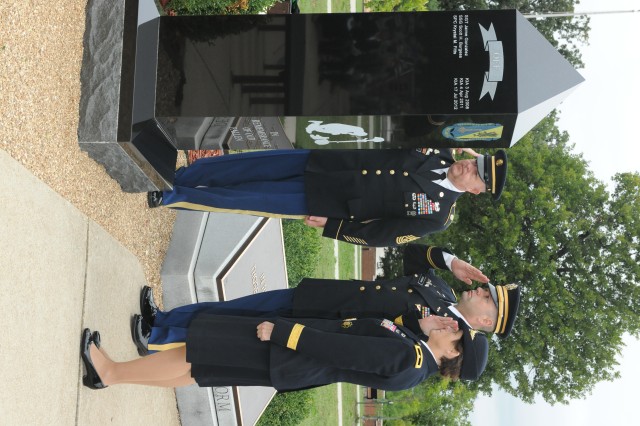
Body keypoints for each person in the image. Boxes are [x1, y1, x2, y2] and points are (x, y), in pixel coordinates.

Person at [134, 245, 520, 356]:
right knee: (233, 308)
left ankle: (158, 339)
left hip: (322, 324)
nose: (481, 291)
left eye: (488, 299)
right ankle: (165, 319)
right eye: (487, 288)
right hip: (320, 296)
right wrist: (451, 262)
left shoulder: (449, 339)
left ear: (486, 322)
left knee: (231, 329)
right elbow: (416, 256)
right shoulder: (443, 293)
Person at [147, 148, 508, 247]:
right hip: (327, 162)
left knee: (248, 197)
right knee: (247, 166)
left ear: (477, 191)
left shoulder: (438, 216)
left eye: (476, 174)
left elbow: (383, 235)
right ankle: (182, 175)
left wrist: (335, 228)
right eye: (474, 161)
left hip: (329, 202)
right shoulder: (438, 149)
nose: (467, 167)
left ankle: (174, 196)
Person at [80, 311, 489, 392]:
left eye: (457, 336)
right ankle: (114, 374)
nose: (452, 327)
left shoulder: (411, 360)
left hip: (289, 352)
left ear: (453, 355)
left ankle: (111, 372)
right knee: (200, 369)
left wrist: (285, 333)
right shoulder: (415, 358)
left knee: (197, 353)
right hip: (290, 362)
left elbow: (340, 350)